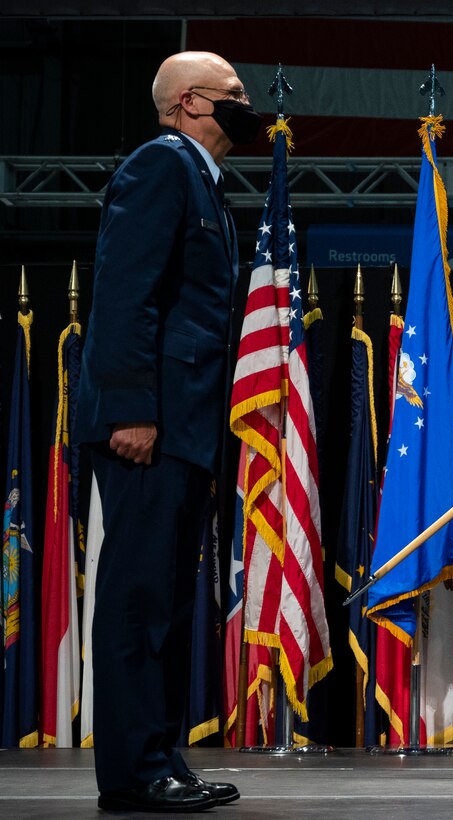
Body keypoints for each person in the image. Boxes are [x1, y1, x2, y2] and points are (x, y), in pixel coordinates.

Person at [74, 51, 262, 813]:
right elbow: (126, 294)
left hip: (184, 427)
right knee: (138, 598)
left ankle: (160, 757)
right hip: (147, 422)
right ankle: (132, 772)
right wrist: (131, 410)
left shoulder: (203, 181)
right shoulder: (160, 166)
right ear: (189, 102)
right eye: (233, 95)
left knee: (170, 601)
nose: (246, 105)